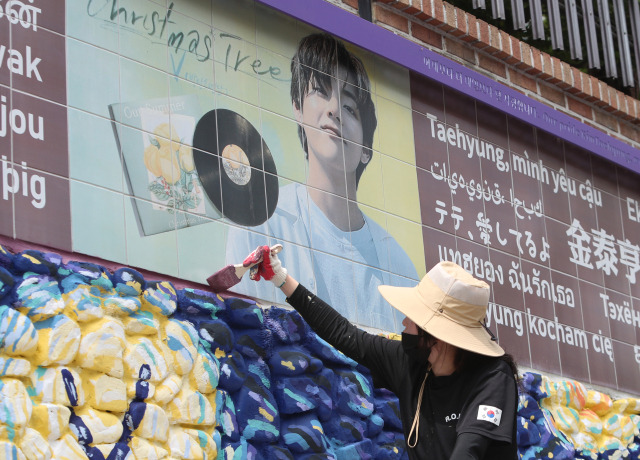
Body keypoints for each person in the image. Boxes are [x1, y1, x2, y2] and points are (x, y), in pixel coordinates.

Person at [230, 246, 519, 460]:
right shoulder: (411, 364)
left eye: (412, 317)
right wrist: (280, 278)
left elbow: (469, 450)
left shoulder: (492, 378)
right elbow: (345, 334)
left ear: (437, 335)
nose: (404, 322)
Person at [225, 33, 418, 331]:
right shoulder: (263, 220)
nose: (333, 110)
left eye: (350, 109)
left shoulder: (399, 266)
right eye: (320, 91)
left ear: (366, 150)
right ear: (297, 108)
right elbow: (244, 331)